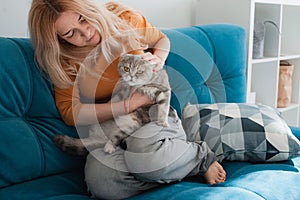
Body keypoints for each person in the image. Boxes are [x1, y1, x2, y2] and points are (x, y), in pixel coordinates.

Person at [28, 0, 226, 199]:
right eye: (71, 33)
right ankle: (163, 165)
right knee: (102, 183)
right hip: (112, 127)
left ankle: (199, 157)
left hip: (151, 114)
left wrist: (159, 58)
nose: (86, 32)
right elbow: (71, 112)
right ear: (58, 39)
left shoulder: (123, 19)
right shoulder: (64, 59)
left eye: (83, 19)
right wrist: (128, 105)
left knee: (146, 156)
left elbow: (161, 40)